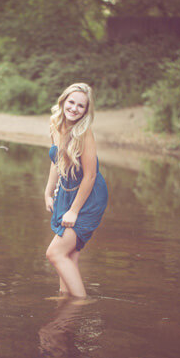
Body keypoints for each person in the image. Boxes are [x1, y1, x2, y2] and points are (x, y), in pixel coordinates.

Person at [43, 83, 108, 299]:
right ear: (63, 101)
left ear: (86, 111)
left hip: (88, 197)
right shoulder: (55, 124)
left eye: (81, 106)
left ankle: (81, 304)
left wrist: (74, 210)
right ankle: (65, 299)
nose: (74, 108)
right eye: (71, 102)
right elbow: (56, 162)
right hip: (66, 192)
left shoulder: (84, 133)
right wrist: (48, 191)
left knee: (55, 252)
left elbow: (90, 175)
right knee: (69, 254)